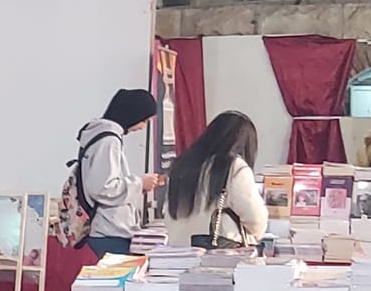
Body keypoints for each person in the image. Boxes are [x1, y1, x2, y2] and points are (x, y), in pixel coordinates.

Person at [65, 88, 163, 255]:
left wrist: (139, 186)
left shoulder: (104, 136)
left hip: (108, 229)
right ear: (133, 114)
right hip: (109, 230)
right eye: (144, 121)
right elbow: (104, 188)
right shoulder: (109, 140)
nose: (142, 127)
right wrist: (139, 183)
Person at [163, 111, 269, 247]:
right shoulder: (234, 167)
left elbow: (169, 212)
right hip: (219, 250)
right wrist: (255, 235)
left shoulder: (182, 164)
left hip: (178, 248)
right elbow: (255, 218)